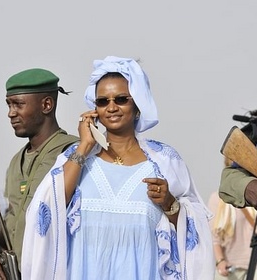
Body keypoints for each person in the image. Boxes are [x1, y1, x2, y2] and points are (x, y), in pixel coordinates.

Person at [21, 56, 215, 279]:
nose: (111, 107)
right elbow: (47, 208)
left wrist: (170, 203)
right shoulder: (75, 157)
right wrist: (84, 145)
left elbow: (196, 229)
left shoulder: (165, 160)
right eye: (103, 102)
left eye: (121, 99)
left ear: (138, 105)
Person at [0, 68, 78, 279]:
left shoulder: (71, 154)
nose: (11, 113)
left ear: (46, 105)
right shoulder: (17, 160)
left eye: (18, 104)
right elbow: (15, 217)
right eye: (9, 104)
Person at [208, 158, 257, 279]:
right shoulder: (217, 199)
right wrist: (220, 261)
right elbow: (214, 237)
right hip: (230, 269)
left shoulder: (253, 195)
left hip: (254, 265)